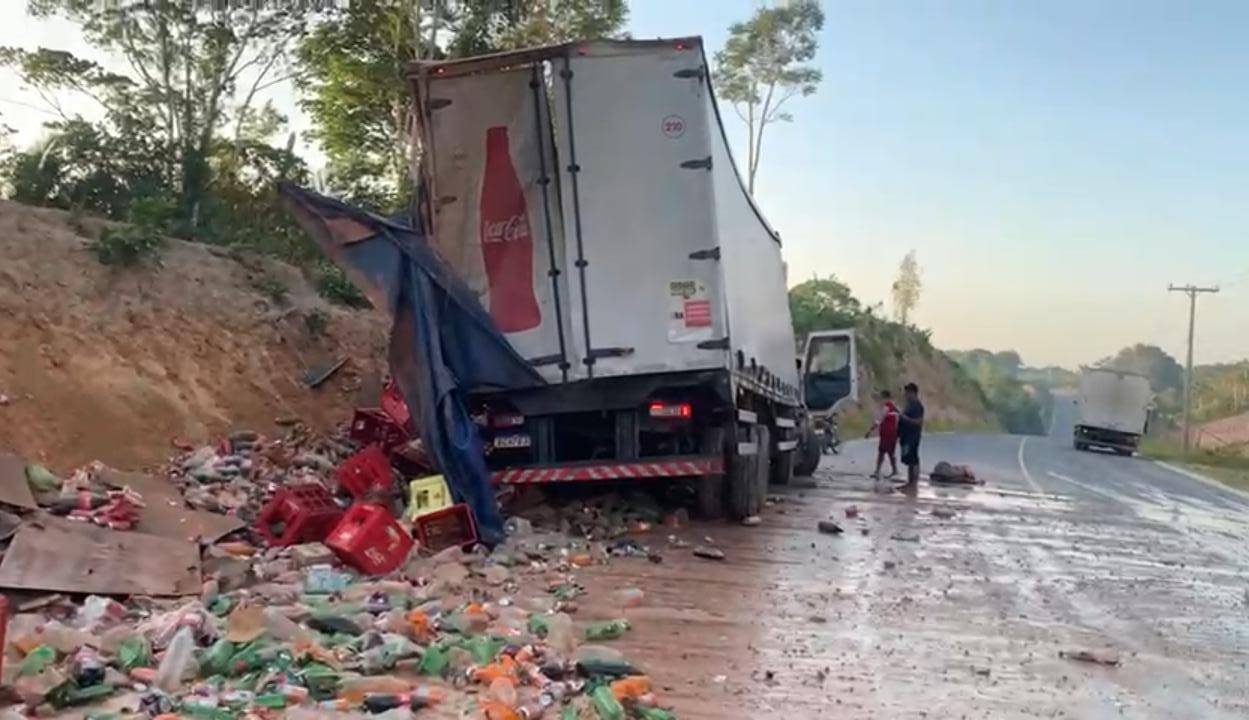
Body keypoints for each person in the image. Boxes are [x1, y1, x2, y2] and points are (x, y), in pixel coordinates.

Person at [897, 382, 925, 492]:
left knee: (913, 460)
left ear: (913, 393)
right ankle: (910, 483)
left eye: (907, 393)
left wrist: (904, 418)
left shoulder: (917, 406)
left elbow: (919, 421)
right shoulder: (909, 405)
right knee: (909, 460)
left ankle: (913, 484)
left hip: (912, 436)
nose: (906, 395)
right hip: (906, 436)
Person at [865, 390, 899, 480]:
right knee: (889, 452)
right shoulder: (894, 407)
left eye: (881, 397)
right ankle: (893, 470)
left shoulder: (886, 407)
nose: (880, 399)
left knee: (882, 452)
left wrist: (869, 431)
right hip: (892, 433)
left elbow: (878, 420)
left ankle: (879, 471)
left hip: (887, 434)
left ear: (885, 397)